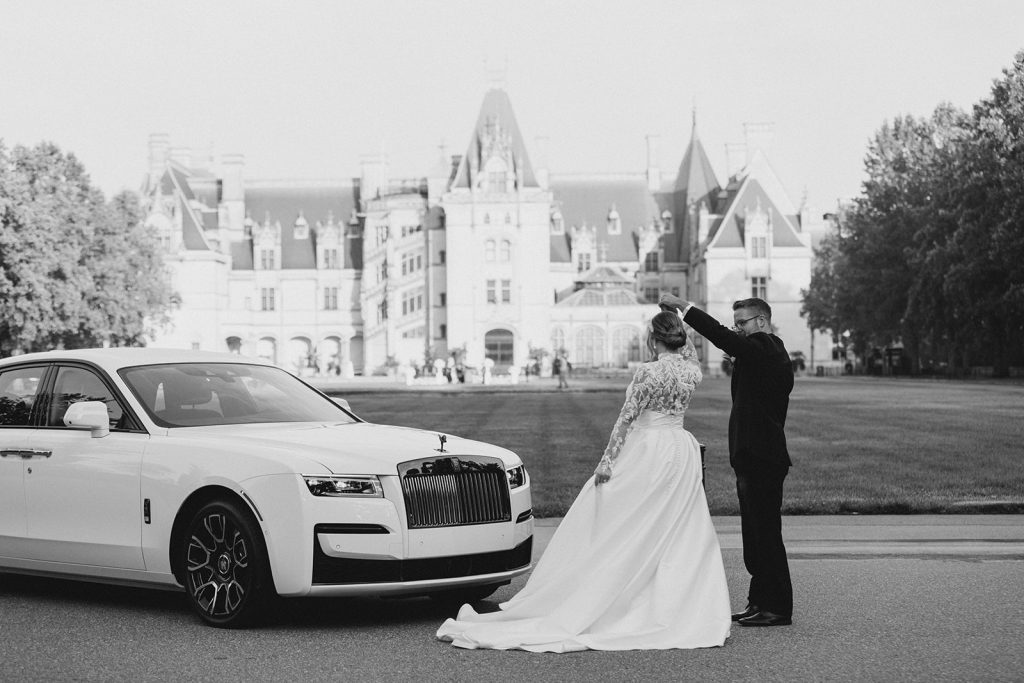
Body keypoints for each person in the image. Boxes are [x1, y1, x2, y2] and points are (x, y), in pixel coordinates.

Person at [436, 311, 731, 652]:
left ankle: (618, 587)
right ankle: (671, 596)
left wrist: (606, 462)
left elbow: (626, 420)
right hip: (680, 449)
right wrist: (682, 316)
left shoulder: (649, 372)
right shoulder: (691, 371)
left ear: (653, 338)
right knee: (676, 523)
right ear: (680, 337)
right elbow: (691, 350)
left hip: (649, 447)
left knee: (626, 520)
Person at [660, 293, 794, 627]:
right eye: (736, 325)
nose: (737, 331)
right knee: (754, 535)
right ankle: (759, 600)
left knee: (765, 535)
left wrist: (683, 307)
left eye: (742, 324)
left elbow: (721, 335)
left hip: (763, 457)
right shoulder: (760, 356)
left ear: (761, 321)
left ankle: (776, 607)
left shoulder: (768, 347)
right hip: (751, 457)